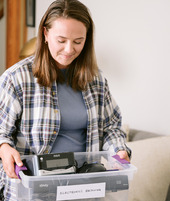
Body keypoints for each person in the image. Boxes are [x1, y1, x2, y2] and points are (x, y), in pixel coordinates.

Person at [0, 0, 131, 200]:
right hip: (32, 191)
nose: (69, 49)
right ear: (45, 34)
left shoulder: (96, 81)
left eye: (78, 41)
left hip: (84, 190)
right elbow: (1, 133)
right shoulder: (16, 79)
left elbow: (111, 127)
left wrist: (119, 150)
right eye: (61, 40)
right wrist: (4, 148)